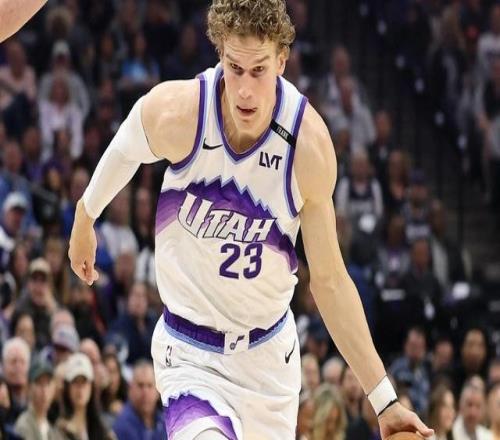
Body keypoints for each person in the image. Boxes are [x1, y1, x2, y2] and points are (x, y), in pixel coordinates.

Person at [68, 0, 434, 438]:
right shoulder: (181, 112)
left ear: (282, 61)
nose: (243, 89)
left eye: (258, 70)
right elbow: (126, 147)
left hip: (268, 364)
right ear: (220, 54)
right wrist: (85, 215)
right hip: (190, 356)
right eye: (234, 68)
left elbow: (330, 281)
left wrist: (385, 401)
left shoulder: (307, 146)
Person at [112, 360, 166, 440]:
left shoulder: (165, 422)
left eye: (150, 385)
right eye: (140, 385)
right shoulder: (121, 426)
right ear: (130, 389)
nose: (145, 392)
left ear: (158, 391)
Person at [14, 360, 62, 440]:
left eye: (48, 383)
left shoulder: (53, 428)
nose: (44, 391)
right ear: (28, 388)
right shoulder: (24, 426)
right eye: (39, 383)